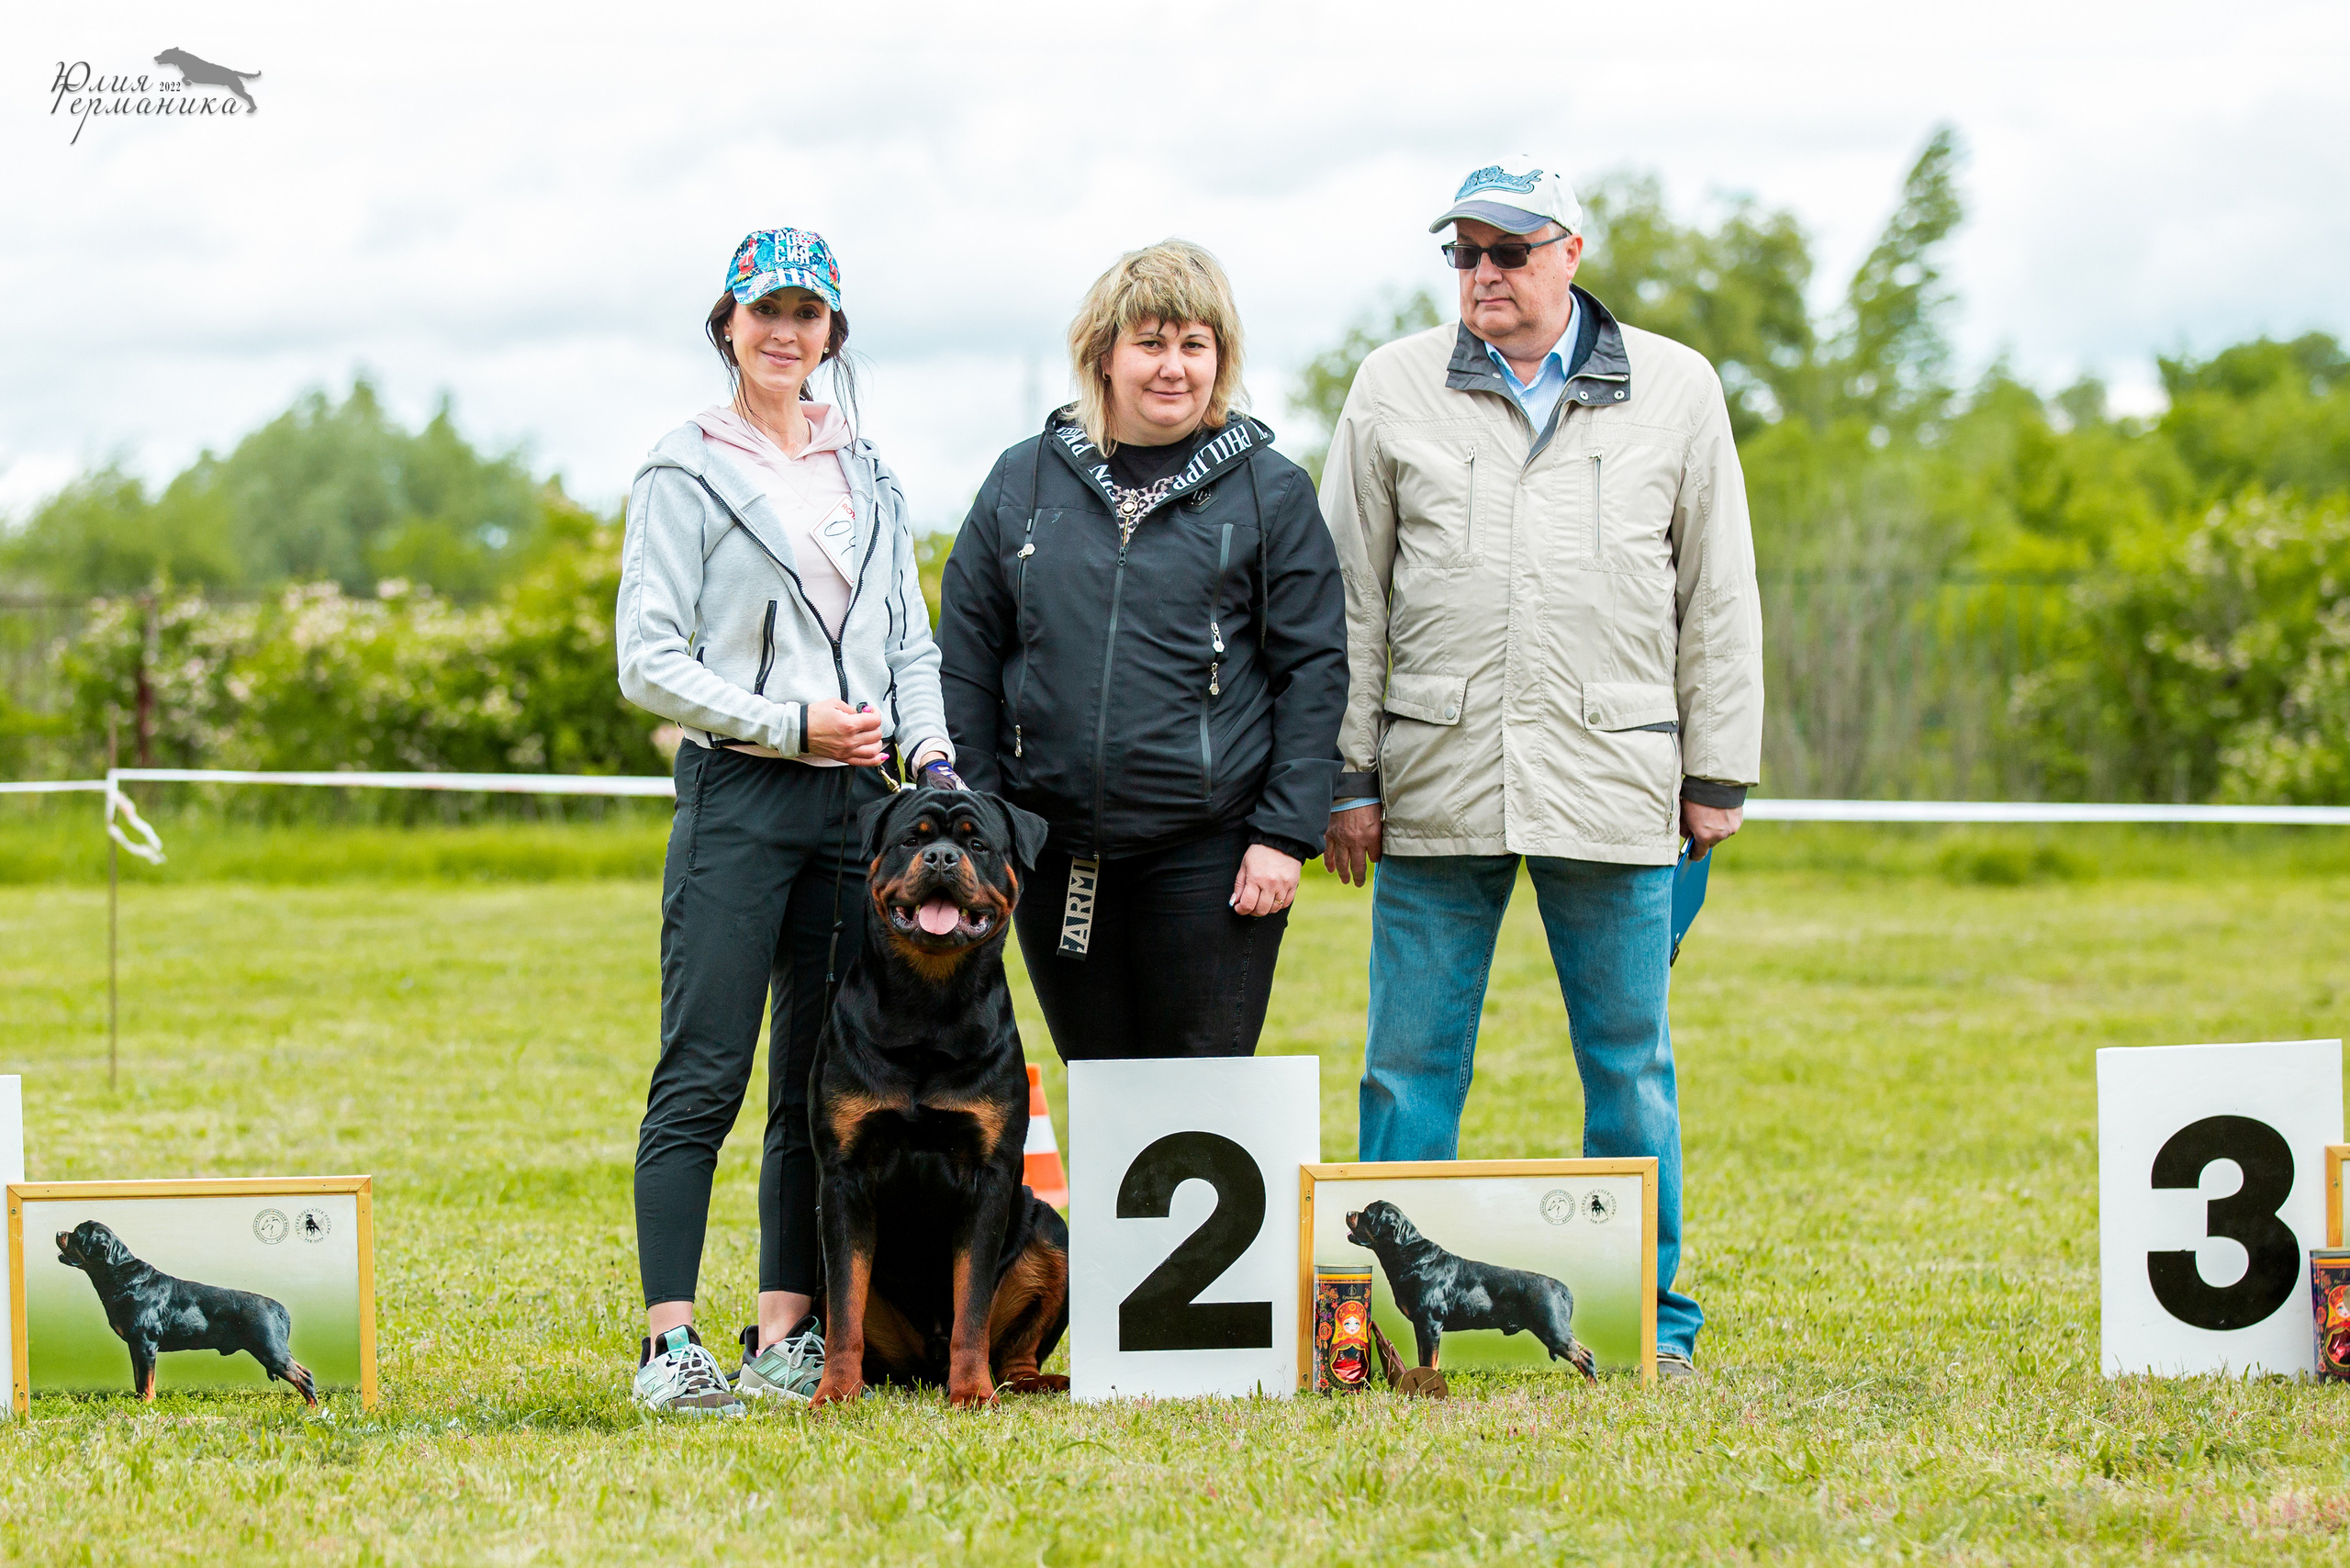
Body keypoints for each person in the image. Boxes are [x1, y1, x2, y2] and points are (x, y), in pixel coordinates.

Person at [1319, 159, 1764, 1378]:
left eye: (1508, 253)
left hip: (1616, 781)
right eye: (1463, 254)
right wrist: (1343, 777)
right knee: (1405, 1068)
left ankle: (1655, 1326)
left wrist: (1718, 767)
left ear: (1572, 252)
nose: (1483, 276)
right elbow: (1347, 598)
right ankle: (1367, 1334)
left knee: (1632, 1071)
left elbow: (1716, 590)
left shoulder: (1679, 386)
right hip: (1433, 780)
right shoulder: (1389, 384)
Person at [614, 227, 960, 1415]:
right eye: (765, 310)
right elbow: (647, 663)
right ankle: (671, 1346)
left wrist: (934, 756)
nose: (785, 332)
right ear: (728, 324)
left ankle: (785, 1337)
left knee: (816, 1083)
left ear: (832, 335)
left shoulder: (872, 471)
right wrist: (788, 723)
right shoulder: (682, 468)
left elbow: (909, 642)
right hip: (743, 793)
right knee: (702, 1071)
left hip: (855, 803)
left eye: (808, 315)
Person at [937, 240, 1346, 1060]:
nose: (1174, 367)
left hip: (1213, 855)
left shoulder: (1273, 490)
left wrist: (1284, 834)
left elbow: (1313, 670)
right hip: (1052, 852)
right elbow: (967, 655)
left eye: (1195, 345)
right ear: (1104, 354)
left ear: (1220, 359)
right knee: (1103, 1089)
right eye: (1151, 343)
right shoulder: (1024, 479)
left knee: (1199, 1102)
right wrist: (982, 817)